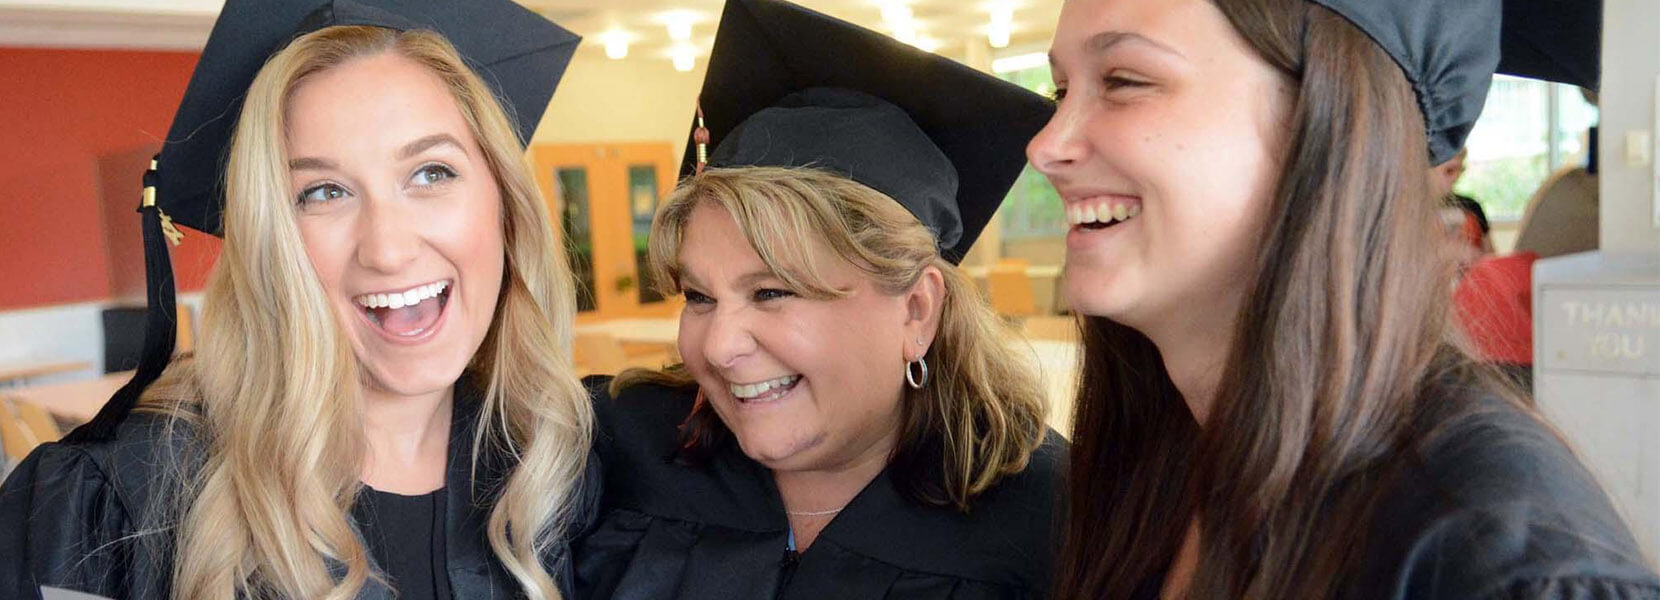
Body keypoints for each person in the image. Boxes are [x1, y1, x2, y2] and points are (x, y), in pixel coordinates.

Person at [1028, 0, 1660, 598]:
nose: (1046, 146)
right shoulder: (1155, 464)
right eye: (1061, 91)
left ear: (1326, 120)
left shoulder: (1491, 555)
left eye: (1124, 80)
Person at [0, 1, 596, 598]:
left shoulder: (556, 469)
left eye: (432, 173)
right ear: (270, 239)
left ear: (505, 204)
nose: (387, 249)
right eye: (323, 192)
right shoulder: (121, 498)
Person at [573, 1, 1063, 598]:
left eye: (772, 291)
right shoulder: (614, 449)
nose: (721, 347)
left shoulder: (1053, 522)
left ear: (916, 311)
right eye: (699, 296)